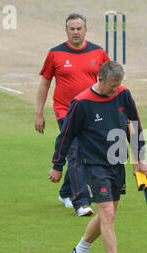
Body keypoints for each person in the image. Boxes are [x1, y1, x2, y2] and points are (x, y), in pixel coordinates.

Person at [48, 61, 147, 253]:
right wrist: (57, 165)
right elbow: (65, 135)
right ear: (99, 80)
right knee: (107, 213)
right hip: (93, 164)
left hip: (116, 162)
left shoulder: (123, 94)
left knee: (108, 213)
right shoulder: (82, 102)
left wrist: (139, 157)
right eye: (112, 85)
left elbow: (134, 124)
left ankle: (79, 252)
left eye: (118, 85)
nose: (115, 90)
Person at [35, 13, 109, 216]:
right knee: (75, 152)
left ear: (85, 30)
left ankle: (65, 191)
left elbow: (108, 82)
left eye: (79, 28)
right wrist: (39, 113)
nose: (75, 32)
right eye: (72, 29)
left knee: (85, 153)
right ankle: (81, 202)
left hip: (91, 112)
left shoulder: (99, 53)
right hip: (64, 111)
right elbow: (45, 83)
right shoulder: (55, 54)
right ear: (66, 30)